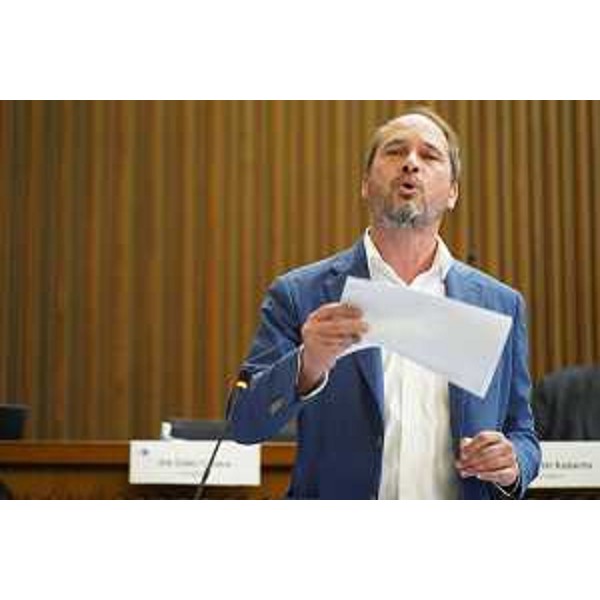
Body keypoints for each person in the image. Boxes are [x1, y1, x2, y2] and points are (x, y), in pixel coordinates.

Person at [230, 107, 541, 499]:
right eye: (395, 151)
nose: (411, 163)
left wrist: (513, 462)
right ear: (365, 184)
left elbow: (523, 433)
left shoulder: (499, 304)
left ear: (453, 193)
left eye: (429, 155)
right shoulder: (300, 294)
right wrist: (306, 365)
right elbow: (244, 424)